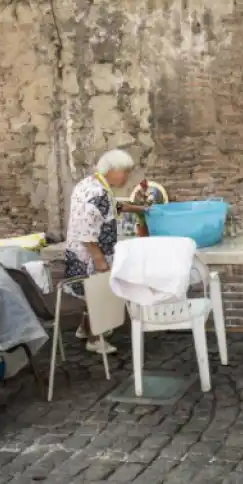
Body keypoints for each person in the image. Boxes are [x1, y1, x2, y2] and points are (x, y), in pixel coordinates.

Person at [64, 149, 148, 354]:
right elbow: (86, 230)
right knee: (97, 295)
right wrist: (99, 258)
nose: (126, 177)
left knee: (89, 294)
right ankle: (95, 339)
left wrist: (138, 209)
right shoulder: (97, 193)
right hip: (90, 254)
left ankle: (85, 329)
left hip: (80, 251)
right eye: (124, 172)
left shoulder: (92, 184)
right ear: (110, 170)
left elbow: (110, 207)